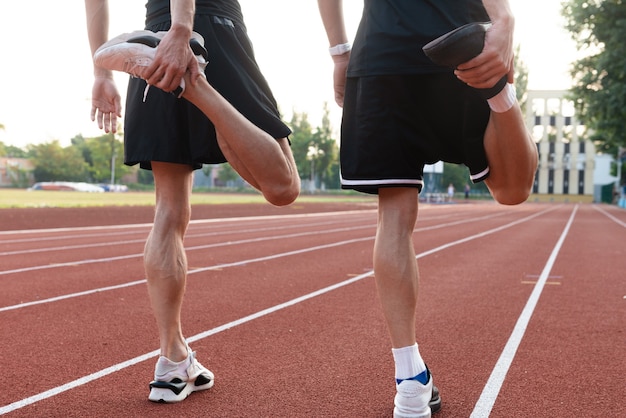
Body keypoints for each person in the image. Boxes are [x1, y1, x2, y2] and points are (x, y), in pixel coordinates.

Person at [317, 0, 538, 417]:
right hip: (458, 41)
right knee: (512, 188)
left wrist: (340, 52)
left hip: (381, 51)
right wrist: (503, 17)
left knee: (394, 218)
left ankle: (410, 384)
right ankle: (498, 91)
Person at [84, 0, 300, 403]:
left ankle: (172, 361)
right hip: (208, 31)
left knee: (168, 212)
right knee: (283, 186)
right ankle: (194, 83)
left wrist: (101, 73)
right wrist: (183, 31)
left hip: (151, 47)